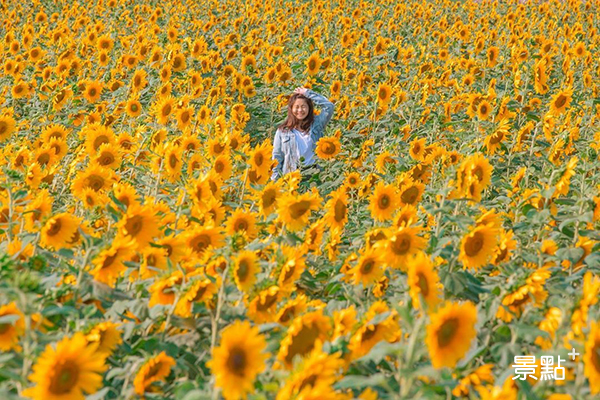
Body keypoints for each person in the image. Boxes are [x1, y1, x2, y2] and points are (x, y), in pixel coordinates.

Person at [270, 86, 335, 181]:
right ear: (291, 109)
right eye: (296, 107)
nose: (300, 110)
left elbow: (329, 106)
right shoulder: (282, 131)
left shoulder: (317, 124)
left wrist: (308, 93)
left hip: (314, 175)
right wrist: (275, 181)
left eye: (303, 106)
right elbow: (277, 158)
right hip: (291, 175)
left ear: (309, 108)